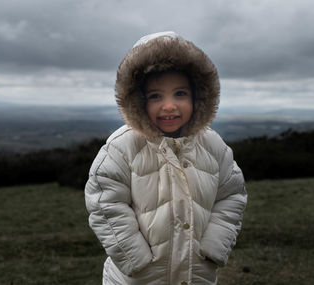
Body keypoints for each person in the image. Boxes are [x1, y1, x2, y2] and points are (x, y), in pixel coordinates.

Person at [84, 31, 247, 285]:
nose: (169, 106)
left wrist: (215, 247)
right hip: (138, 278)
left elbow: (232, 195)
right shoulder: (122, 147)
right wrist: (135, 259)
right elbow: (104, 202)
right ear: (137, 100)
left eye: (180, 93)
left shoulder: (213, 146)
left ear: (198, 96)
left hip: (195, 276)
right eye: (156, 96)